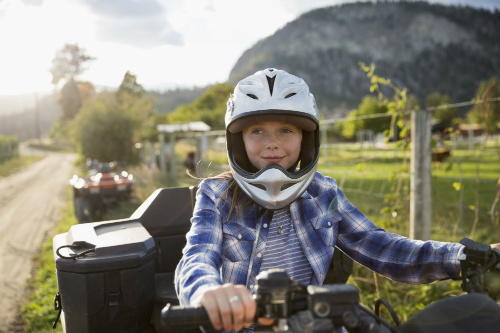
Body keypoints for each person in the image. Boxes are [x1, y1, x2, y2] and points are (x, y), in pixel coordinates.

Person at [174, 68, 500, 332]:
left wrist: (466, 256)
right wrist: (206, 292)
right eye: (257, 131)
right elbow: (196, 258)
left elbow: (380, 246)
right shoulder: (215, 195)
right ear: (238, 140)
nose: (272, 143)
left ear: (307, 138)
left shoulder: (324, 193)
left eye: (286, 130)